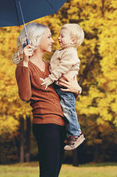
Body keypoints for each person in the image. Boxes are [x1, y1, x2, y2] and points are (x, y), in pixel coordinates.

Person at [13, 22, 82, 177]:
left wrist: (77, 89)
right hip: (46, 124)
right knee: (48, 173)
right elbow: (25, 96)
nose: (53, 40)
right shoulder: (24, 66)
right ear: (36, 40)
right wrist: (24, 61)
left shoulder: (50, 66)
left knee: (53, 173)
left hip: (61, 124)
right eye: (49, 37)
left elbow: (67, 89)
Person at [40, 23, 85, 151]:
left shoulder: (70, 53)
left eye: (62, 36)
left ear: (73, 40)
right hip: (61, 87)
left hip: (64, 88)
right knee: (66, 111)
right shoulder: (62, 51)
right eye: (58, 35)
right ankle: (72, 134)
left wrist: (50, 79)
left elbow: (62, 68)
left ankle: (76, 133)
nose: (58, 38)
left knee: (68, 110)